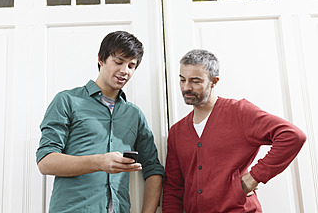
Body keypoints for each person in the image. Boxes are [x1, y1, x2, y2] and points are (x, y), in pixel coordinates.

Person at [162, 49, 306, 212]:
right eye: (182, 80)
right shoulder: (176, 132)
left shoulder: (239, 112)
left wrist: (255, 177)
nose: (186, 87)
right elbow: (173, 188)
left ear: (213, 81)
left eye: (195, 81)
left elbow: (292, 136)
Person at [36, 31, 164, 213]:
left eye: (131, 66)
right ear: (101, 59)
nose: (124, 71)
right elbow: (46, 162)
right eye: (118, 62)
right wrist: (99, 162)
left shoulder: (134, 114)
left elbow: (153, 169)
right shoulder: (67, 101)